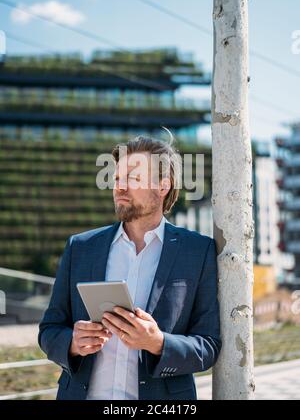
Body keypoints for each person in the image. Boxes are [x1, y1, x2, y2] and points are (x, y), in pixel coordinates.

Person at [38, 134, 221, 400]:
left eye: (133, 179)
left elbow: (208, 345)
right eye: (117, 179)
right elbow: (49, 329)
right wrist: (72, 344)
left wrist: (158, 343)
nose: (120, 187)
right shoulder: (81, 247)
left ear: (163, 186)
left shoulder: (198, 252)